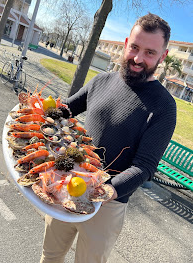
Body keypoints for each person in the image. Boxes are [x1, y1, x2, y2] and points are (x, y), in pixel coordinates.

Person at [40, 13, 176, 263]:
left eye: (149, 52)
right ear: (125, 43)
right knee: (50, 256)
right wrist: (39, 112)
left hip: (108, 205)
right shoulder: (101, 80)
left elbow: (144, 166)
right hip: (66, 185)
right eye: (134, 47)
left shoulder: (164, 106)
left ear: (162, 56)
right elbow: (67, 109)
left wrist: (104, 191)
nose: (137, 58)